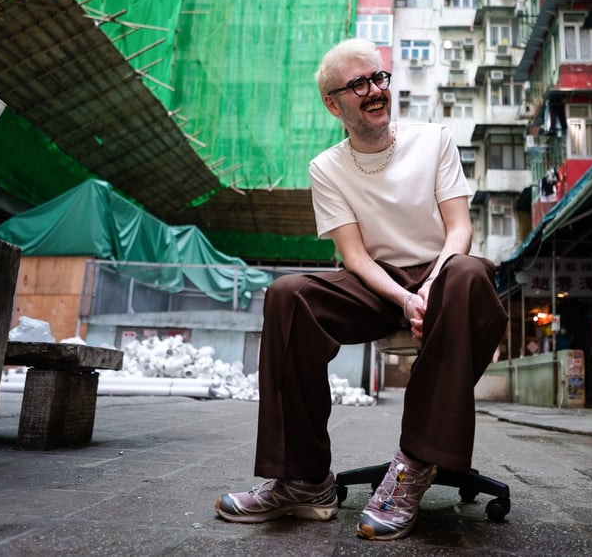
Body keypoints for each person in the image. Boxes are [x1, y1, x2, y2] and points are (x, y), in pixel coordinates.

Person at [214, 38, 508, 541]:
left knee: (470, 275)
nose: (375, 91)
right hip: (376, 283)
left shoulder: (433, 139)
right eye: (358, 85)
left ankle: (415, 464)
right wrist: (402, 297)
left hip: (442, 272)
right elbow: (355, 257)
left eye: (379, 79)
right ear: (333, 103)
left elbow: (459, 230)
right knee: (288, 294)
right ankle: (303, 479)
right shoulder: (326, 168)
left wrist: (431, 284)